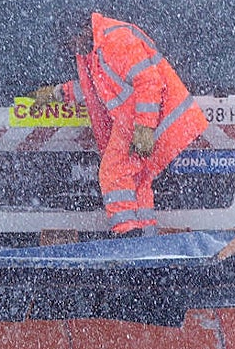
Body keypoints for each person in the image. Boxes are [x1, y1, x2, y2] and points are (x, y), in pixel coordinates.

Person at [30, 12, 208, 236]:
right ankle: (146, 238)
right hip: (148, 119)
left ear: (83, 31)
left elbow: (150, 82)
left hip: (149, 120)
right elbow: (94, 89)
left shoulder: (115, 40)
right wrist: (58, 93)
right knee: (137, 181)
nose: (72, 49)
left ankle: (127, 233)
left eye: (71, 43)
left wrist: (144, 129)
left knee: (113, 172)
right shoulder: (93, 52)